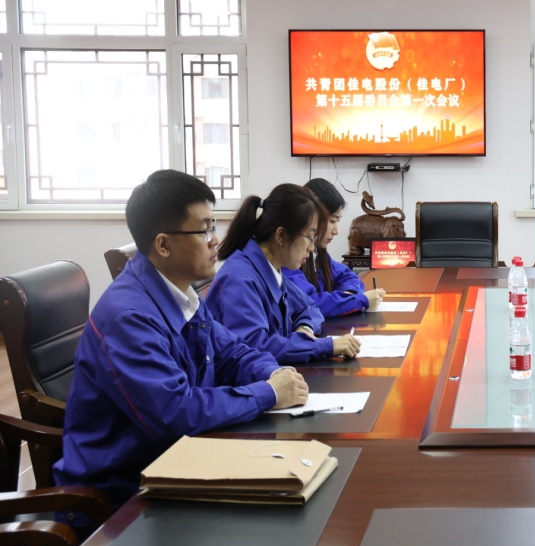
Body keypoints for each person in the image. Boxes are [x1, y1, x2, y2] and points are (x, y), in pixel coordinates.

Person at [53, 170, 309, 505]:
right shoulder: (129, 318)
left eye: (213, 226)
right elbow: (174, 413)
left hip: (177, 464)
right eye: (204, 230)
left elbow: (231, 351)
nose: (215, 241)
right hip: (119, 497)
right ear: (163, 245)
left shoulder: (181, 294)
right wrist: (268, 393)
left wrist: (273, 372)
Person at [207, 183, 361, 364]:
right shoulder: (240, 281)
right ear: (280, 235)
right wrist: (324, 346)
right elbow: (255, 348)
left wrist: (305, 328)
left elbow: (310, 307)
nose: (312, 248)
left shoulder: (271, 268)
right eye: (309, 237)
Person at [284, 177, 385, 318]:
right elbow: (310, 304)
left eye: (338, 221)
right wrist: (358, 300)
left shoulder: (318, 254)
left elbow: (348, 276)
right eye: (332, 221)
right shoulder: (288, 259)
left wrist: (348, 295)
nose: (336, 231)